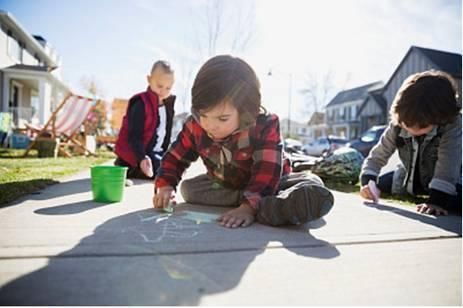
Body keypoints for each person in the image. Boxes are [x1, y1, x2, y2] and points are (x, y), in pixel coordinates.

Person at [152, 55, 334, 228]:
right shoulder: (195, 125)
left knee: (312, 181)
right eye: (204, 115)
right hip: (227, 185)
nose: (210, 125)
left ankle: (265, 205)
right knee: (189, 189)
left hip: (273, 182)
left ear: (246, 111)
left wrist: (248, 208)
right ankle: (266, 205)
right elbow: (175, 158)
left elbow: (267, 170)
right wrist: (165, 185)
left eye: (222, 119)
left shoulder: (264, 125)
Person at [359, 70, 462, 215]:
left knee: (456, 201)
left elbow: (448, 164)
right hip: (407, 180)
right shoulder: (397, 125)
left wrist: (436, 201)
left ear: (441, 118)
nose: (413, 130)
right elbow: (377, 155)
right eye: (407, 124)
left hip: (448, 183)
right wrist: (367, 182)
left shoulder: (453, 125)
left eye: (422, 126)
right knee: (380, 183)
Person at [115, 60, 176, 180]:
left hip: (156, 153)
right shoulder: (141, 103)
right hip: (137, 155)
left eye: (168, 88)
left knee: (173, 167)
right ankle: (127, 168)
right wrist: (141, 157)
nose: (163, 91)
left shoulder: (167, 106)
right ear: (149, 79)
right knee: (163, 171)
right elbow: (134, 136)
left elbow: (165, 135)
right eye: (159, 86)